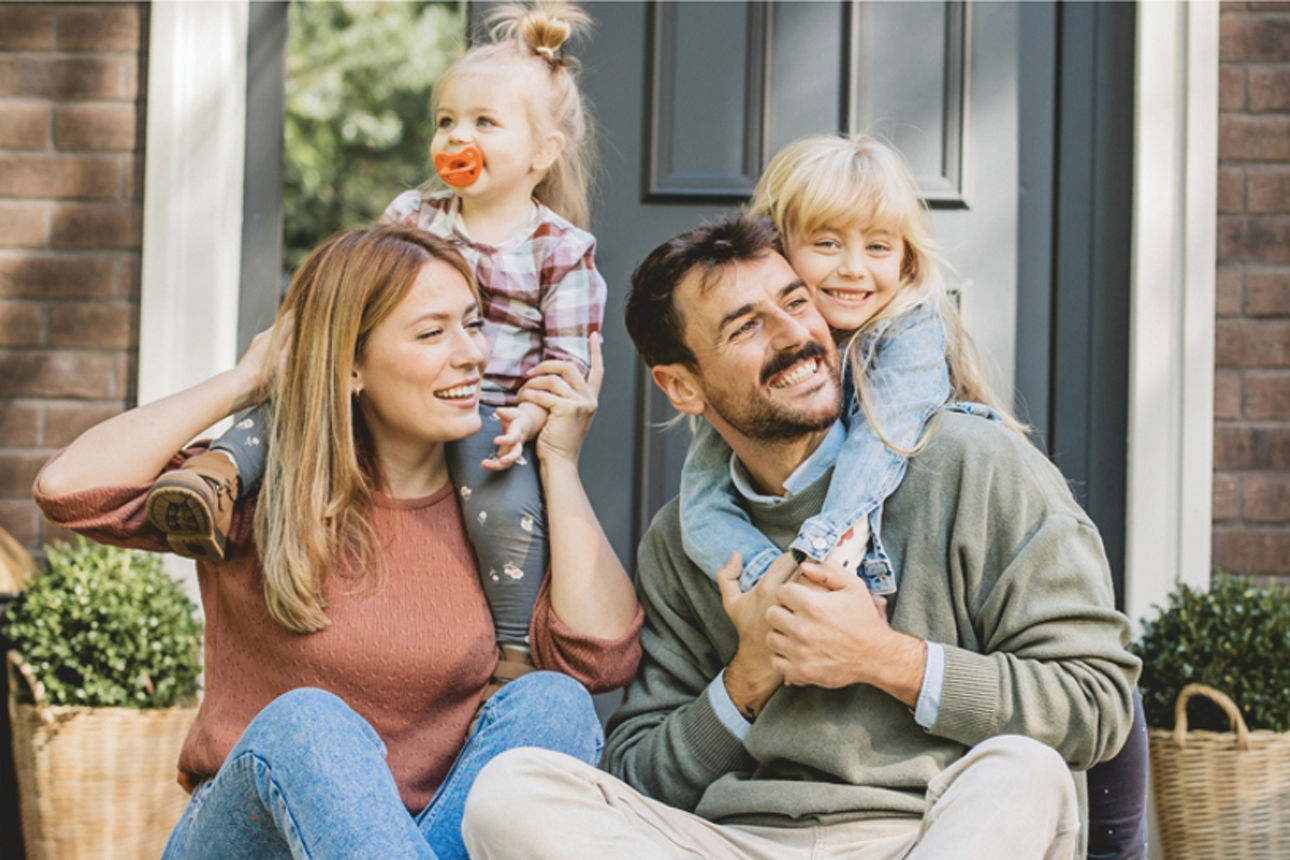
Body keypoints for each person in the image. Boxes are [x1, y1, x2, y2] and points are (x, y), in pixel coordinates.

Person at [459, 213, 1140, 859]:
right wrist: (750, 673)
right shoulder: (684, 540)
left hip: (928, 832)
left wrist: (886, 658)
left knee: (1024, 770)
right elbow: (642, 772)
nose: (794, 336)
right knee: (509, 793)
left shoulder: (973, 464)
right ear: (682, 387)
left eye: (795, 301)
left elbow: (1096, 702)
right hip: (740, 842)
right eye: (745, 327)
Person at [33, 226, 641, 859]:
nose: (472, 354)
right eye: (433, 333)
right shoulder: (258, 488)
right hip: (251, 840)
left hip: (419, 840)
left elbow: (601, 660)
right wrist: (248, 378)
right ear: (351, 365)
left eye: (472, 323)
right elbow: (70, 489)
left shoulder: (496, 511)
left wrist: (560, 464)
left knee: (553, 702)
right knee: (311, 724)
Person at [144, 1, 604, 696]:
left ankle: (512, 652)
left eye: (484, 122)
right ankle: (214, 479)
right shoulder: (411, 217)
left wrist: (533, 423)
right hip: (390, 392)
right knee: (292, 401)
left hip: (492, 413)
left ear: (542, 153)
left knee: (508, 510)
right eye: (447, 121)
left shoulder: (561, 250)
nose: (457, 135)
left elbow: (565, 359)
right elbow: (364, 292)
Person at [681, 133, 1021, 598]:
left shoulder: (911, 328)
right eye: (826, 243)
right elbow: (701, 502)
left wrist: (820, 553)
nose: (854, 268)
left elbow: (881, 440)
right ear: (774, 247)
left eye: (878, 248)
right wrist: (773, 584)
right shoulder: (762, 360)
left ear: (905, 260)